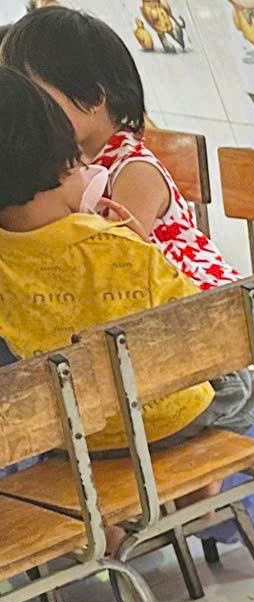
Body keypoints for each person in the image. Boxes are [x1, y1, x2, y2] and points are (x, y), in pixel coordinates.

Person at [0, 65, 207, 450]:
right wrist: (138, 243)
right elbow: (198, 319)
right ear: (63, 168)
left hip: (72, 440)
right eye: (78, 162)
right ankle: (212, 483)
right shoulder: (113, 242)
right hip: (168, 421)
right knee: (238, 385)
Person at [3, 6, 241, 289]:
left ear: (92, 97)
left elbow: (120, 265)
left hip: (200, 301)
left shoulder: (135, 170)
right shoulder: (68, 163)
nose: (29, 114)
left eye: (39, 101)